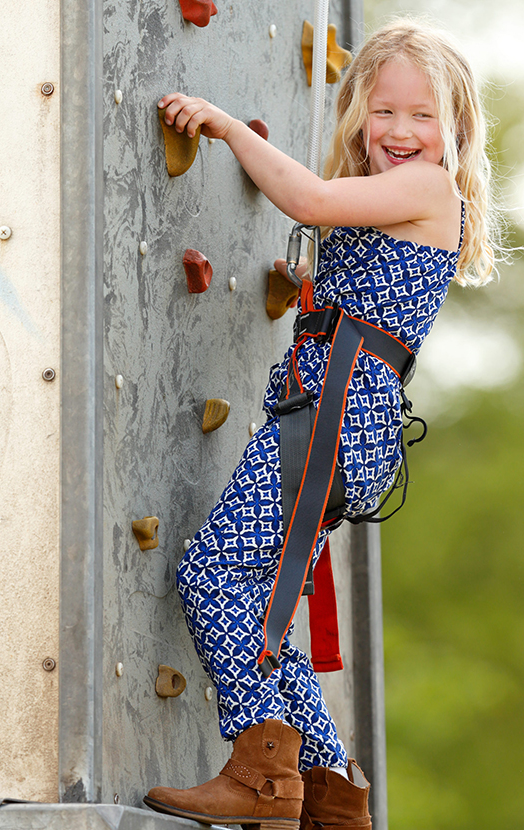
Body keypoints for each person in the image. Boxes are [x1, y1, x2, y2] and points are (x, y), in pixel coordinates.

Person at [145, 18, 498, 830]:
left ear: (456, 130)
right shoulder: (391, 204)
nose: (401, 132)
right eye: (384, 111)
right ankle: (332, 795)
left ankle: (262, 777)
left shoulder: (430, 189)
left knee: (211, 575)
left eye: (422, 116)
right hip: (334, 414)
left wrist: (230, 127)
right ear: (356, 114)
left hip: (338, 412)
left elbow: (308, 197)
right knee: (260, 603)